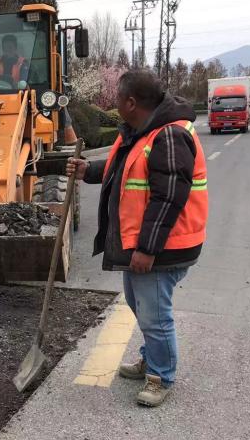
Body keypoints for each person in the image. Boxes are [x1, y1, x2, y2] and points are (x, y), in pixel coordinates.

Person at [67, 70, 208, 407]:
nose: (113, 102)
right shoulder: (142, 130)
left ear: (131, 103)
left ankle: (161, 377)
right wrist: (90, 170)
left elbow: (168, 199)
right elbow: (126, 165)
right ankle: (152, 358)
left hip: (164, 247)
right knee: (140, 305)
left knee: (154, 316)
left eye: (117, 97)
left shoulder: (170, 136)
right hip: (145, 244)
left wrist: (147, 249)